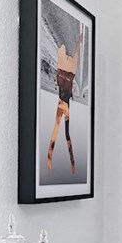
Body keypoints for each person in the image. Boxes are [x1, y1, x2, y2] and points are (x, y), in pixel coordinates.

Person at [47, 31, 83, 174]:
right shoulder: (64, 105)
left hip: (65, 74)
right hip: (65, 73)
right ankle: (56, 160)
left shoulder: (64, 105)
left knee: (61, 132)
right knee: (63, 133)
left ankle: (54, 160)